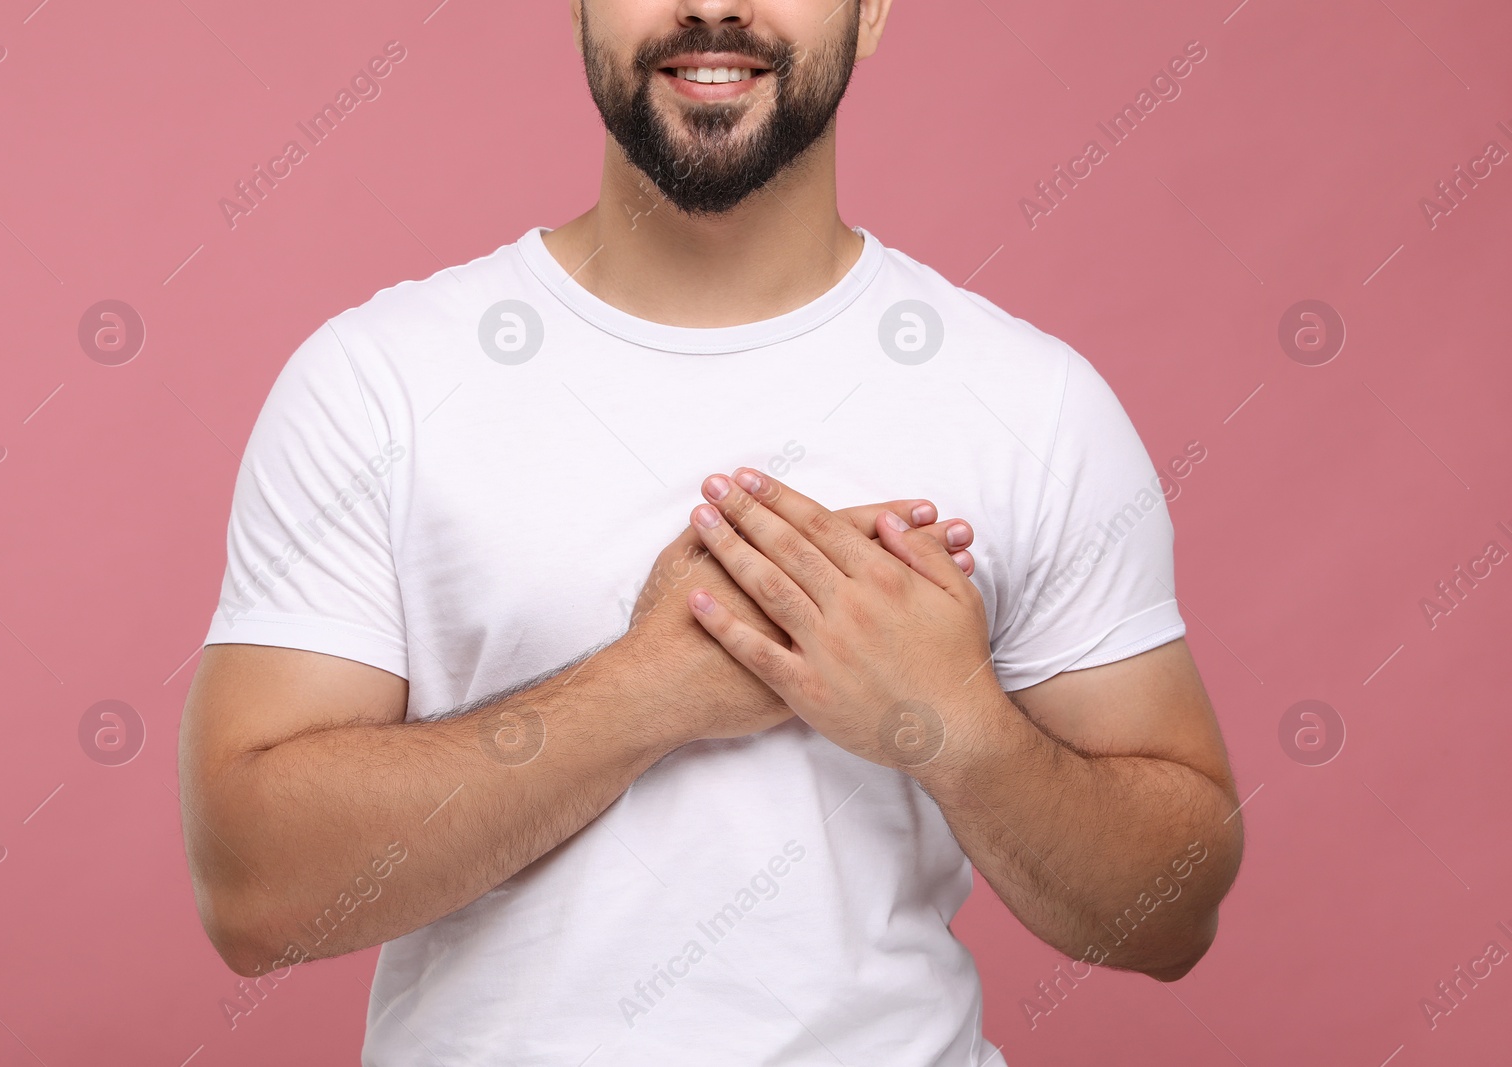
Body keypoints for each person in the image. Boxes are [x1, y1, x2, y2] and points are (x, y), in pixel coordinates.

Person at [178, 1, 1244, 1063]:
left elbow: (1167, 916)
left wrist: (950, 721)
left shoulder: (1031, 402)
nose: (711, 7)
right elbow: (255, 889)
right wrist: (649, 689)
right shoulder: (377, 385)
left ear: (871, 12)